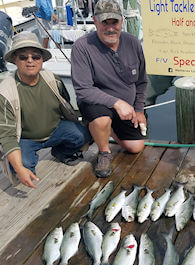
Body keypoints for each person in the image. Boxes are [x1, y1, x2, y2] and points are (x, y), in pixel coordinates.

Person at [0, 32, 91, 188]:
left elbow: (67, 106)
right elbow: (7, 136)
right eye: (23, 57)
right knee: (22, 167)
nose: (30, 61)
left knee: (83, 135)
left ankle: (60, 152)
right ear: (14, 59)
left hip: (56, 129)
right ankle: (20, 166)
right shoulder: (5, 91)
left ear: (42, 60)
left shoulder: (53, 79)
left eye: (35, 57)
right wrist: (20, 168)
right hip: (26, 138)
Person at [71, 0, 147, 178]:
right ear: (95, 21)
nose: (110, 28)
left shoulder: (133, 43)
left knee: (136, 147)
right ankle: (104, 152)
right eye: (105, 22)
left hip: (127, 108)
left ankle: (108, 130)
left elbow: (142, 81)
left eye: (114, 22)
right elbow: (83, 89)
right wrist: (117, 103)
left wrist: (139, 109)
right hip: (97, 103)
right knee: (102, 120)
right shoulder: (82, 47)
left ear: (122, 21)